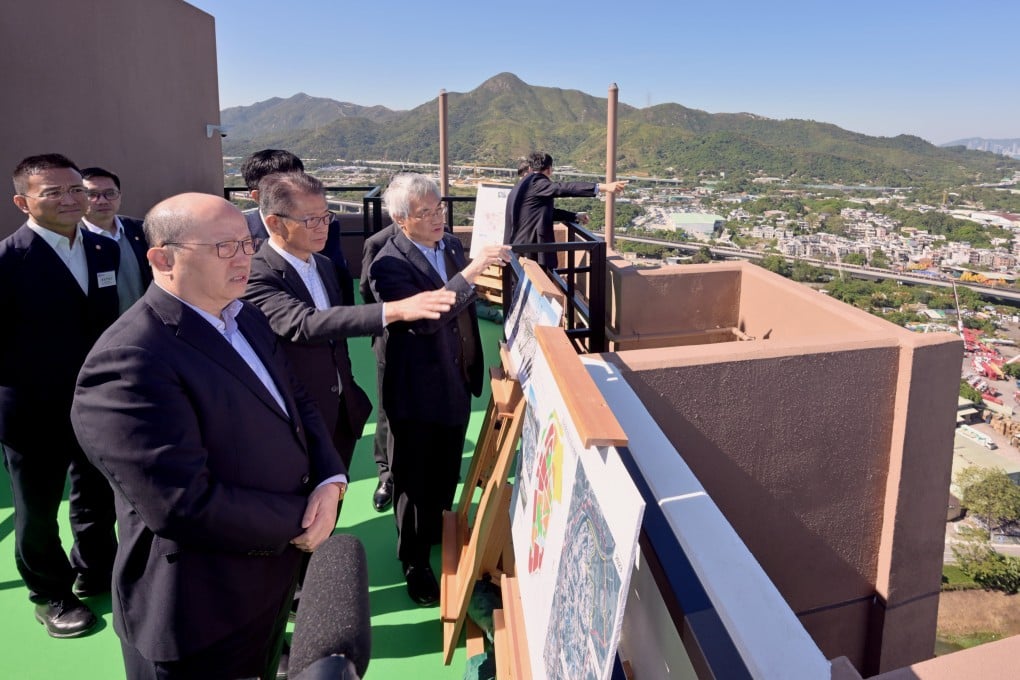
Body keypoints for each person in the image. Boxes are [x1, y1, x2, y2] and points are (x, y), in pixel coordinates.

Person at [70, 192, 347, 679]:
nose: (245, 257)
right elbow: (181, 504)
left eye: (247, 242)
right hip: (201, 609)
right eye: (224, 247)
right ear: (162, 258)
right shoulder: (130, 358)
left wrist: (330, 478)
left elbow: (296, 400)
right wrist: (303, 516)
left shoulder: (244, 316)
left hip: (266, 581)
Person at [244, 171, 455, 486]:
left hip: (342, 414)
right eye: (310, 220)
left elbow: (336, 340)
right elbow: (305, 323)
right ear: (275, 223)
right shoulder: (257, 274)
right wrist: (394, 310)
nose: (323, 227)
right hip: (295, 422)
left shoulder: (325, 267)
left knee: (332, 502)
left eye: (325, 216)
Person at [368, 173, 509, 606]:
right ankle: (413, 560)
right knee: (413, 481)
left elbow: (463, 309)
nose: (436, 219)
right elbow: (427, 319)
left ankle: (433, 535)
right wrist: (473, 271)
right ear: (400, 219)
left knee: (446, 470)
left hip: (456, 380)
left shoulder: (447, 245)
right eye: (424, 213)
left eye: (439, 209)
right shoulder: (388, 263)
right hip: (415, 390)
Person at [0, 153, 120, 638]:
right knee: (37, 505)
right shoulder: (8, 261)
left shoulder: (101, 250)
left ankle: (95, 568)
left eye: (77, 190)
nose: (72, 200)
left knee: (97, 491)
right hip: (32, 407)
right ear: (22, 201)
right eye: (53, 192)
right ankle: (49, 592)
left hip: (95, 400)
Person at [240, 149, 354, 304]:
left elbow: (340, 279)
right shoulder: (238, 237)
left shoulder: (327, 224)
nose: (320, 225)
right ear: (257, 196)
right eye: (282, 187)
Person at [504, 151, 628, 269]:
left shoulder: (523, 185)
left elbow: (542, 212)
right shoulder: (536, 182)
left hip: (517, 247)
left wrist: (574, 216)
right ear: (549, 170)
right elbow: (564, 188)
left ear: (530, 168)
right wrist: (603, 187)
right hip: (529, 251)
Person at [360, 216, 401, 513]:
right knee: (388, 409)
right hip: (392, 342)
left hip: (437, 347)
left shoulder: (444, 239)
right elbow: (366, 290)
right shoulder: (377, 243)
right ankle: (386, 475)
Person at [80, 166, 151, 313]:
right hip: (103, 331)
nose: (102, 201)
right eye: (92, 194)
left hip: (146, 323)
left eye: (110, 193)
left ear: (120, 196)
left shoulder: (140, 229)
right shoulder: (73, 238)